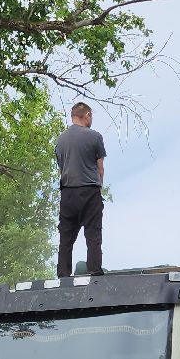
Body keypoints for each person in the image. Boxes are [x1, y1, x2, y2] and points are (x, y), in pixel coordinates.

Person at [54, 101, 107, 277]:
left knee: (66, 238)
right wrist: (98, 189)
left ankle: (63, 275)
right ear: (87, 115)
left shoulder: (60, 141)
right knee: (93, 235)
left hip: (68, 193)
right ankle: (94, 273)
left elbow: (63, 169)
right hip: (89, 191)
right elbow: (100, 169)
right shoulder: (95, 137)